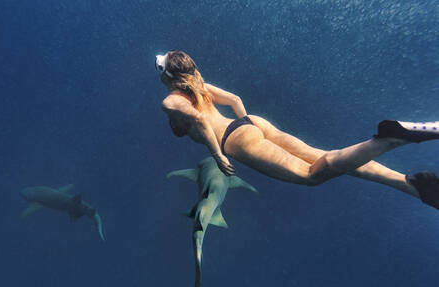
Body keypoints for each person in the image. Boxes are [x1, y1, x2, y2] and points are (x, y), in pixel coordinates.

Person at [156, 50, 439, 210]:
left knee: (311, 174)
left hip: (235, 141)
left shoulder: (171, 101)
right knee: (330, 156)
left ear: (167, 76)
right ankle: (412, 185)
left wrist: (219, 155)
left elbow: (203, 123)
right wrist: (246, 125)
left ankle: (390, 140)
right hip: (249, 124)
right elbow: (235, 101)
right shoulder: (200, 87)